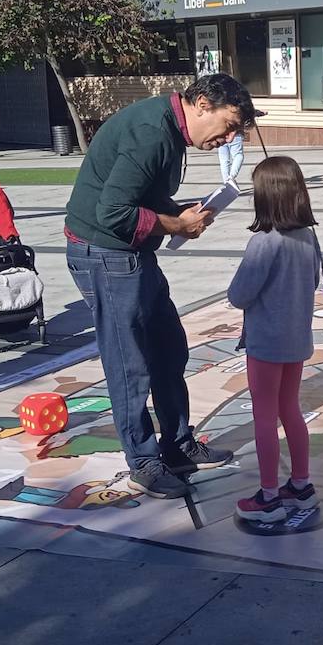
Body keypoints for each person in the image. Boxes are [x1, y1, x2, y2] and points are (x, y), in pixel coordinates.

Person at [64, 73, 256, 499]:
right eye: (229, 126)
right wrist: (176, 224)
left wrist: (180, 212)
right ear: (202, 104)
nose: (229, 139)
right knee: (130, 363)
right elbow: (113, 212)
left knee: (169, 348)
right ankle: (144, 463)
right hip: (105, 253)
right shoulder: (152, 133)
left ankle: (178, 445)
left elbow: (140, 196)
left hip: (130, 252)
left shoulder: (168, 128)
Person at [227, 156, 323, 522]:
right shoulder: (308, 236)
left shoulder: (264, 242)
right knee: (290, 410)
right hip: (296, 340)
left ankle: (268, 497)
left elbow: (239, 295)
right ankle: (301, 485)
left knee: (264, 417)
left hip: (266, 344)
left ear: (265, 197)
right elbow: (312, 281)